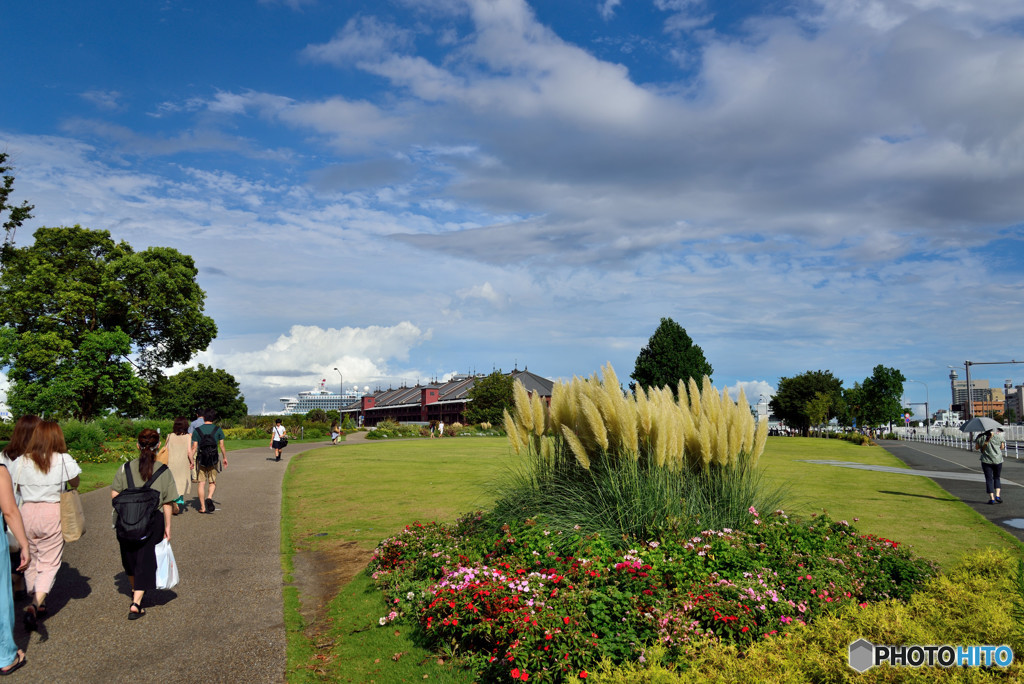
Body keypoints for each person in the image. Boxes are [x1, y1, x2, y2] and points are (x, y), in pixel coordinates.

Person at [4, 420, 81, 630]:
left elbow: (15, 488)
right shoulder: (63, 459)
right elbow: (75, 482)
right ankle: (36, 603)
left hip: (27, 511)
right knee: (50, 561)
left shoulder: (21, 460)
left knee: (30, 557)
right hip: (52, 511)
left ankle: (39, 600)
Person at [111, 429, 177, 619]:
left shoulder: (125, 468)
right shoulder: (163, 471)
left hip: (126, 520)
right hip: (152, 521)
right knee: (146, 559)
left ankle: (135, 591)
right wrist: (167, 527)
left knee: (129, 558)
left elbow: (115, 495)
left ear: (138, 446)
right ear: (158, 447)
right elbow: (167, 503)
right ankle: (136, 602)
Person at [1, 415, 40, 602]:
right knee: (27, 547)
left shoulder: (3, 457)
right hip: (27, 507)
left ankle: (17, 583)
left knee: (12, 546)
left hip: (8, 507)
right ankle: (20, 581)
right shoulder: (34, 458)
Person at [189, 409, 228, 514]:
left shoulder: (197, 430)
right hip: (213, 459)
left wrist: (190, 460)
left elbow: (194, 447)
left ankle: (202, 507)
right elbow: (222, 446)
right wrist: (224, 458)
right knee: (212, 482)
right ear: (213, 418)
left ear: (204, 417)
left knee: (201, 483)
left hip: (201, 459)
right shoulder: (218, 430)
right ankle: (209, 498)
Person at [160, 417, 192, 515]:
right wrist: (192, 462)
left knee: (171, 482)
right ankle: (177, 501)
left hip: (171, 463)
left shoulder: (170, 436)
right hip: (182, 463)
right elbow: (189, 451)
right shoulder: (188, 437)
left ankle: (171, 499)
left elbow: (166, 449)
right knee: (180, 482)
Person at [975, 427, 1007, 504]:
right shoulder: (999, 436)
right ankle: (998, 495)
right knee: (997, 477)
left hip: (986, 461)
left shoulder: (981, 437)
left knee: (989, 479)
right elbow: (1002, 447)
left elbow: (976, 448)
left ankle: (992, 498)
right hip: (998, 460)